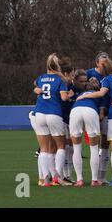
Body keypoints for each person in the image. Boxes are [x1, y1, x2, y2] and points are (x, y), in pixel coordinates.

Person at [31, 53, 72, 186]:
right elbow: (64, 98)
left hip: (39, 114)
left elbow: (35, 86)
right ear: (58, 66)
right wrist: (70, 94)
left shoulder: (41, 77)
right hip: (54, 114)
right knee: (60, 147)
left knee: (44, 149)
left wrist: (37, 90)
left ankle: (46, 180)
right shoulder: (61, 80)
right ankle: (57, 177)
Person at [69, 70, 102, 187]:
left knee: (77, 148)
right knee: (94, 148)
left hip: (75, 111)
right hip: (90, 111)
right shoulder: (98, 94)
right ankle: (94, 180)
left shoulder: (79, 94)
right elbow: (102, 112)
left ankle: (79, 180)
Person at [86, 52, 111, 185]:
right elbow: (78, 84)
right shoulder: (89, 73)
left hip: (107, 112)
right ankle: (92, 177)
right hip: (91, 112)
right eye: (103, 63)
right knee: (93, 145)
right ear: (97, 63)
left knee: (105, 144)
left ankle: (102, 177)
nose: (105, 65)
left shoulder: (111, 74)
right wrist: (88, 84)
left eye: (107, 63)